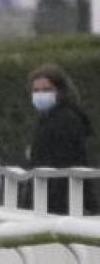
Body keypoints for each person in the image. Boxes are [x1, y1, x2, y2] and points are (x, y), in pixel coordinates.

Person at [28, 64, 94, 214]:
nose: (40, 94)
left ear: (60, 91)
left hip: (63, 200)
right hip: (46, 196)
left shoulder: (67, 120)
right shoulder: (44, 120)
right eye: (36, 90)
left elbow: (64, 162)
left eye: (47, 90)